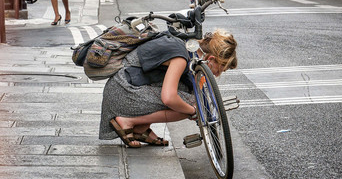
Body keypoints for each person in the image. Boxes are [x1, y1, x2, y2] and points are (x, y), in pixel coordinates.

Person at [99, 29, 238, 147]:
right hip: (122, 92)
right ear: (211, 59)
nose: (216, 74)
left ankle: (141, 128)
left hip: (125, 84)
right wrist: (194, 112)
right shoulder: (181, 57)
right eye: (220, 70)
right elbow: (169, 98)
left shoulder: (185, 45)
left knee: (187, 91)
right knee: (192, 104)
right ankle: (128, 121)